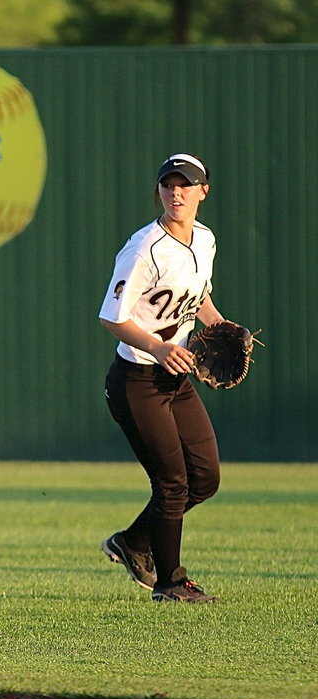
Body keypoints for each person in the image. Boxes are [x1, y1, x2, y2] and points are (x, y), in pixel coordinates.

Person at [98, 153, 240, 603]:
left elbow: (198, 300)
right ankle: (170, 582)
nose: (175, 192)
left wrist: (219, 326)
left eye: (186, 184)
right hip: (136, 381)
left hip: (175, 381)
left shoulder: (205, 240)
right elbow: (111, 318)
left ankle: (134, 542)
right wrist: (158, 347)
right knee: (172, 483)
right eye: (168, 184)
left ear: (203, 191)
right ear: (158, 190)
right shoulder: (144, 248)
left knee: (205, 478)